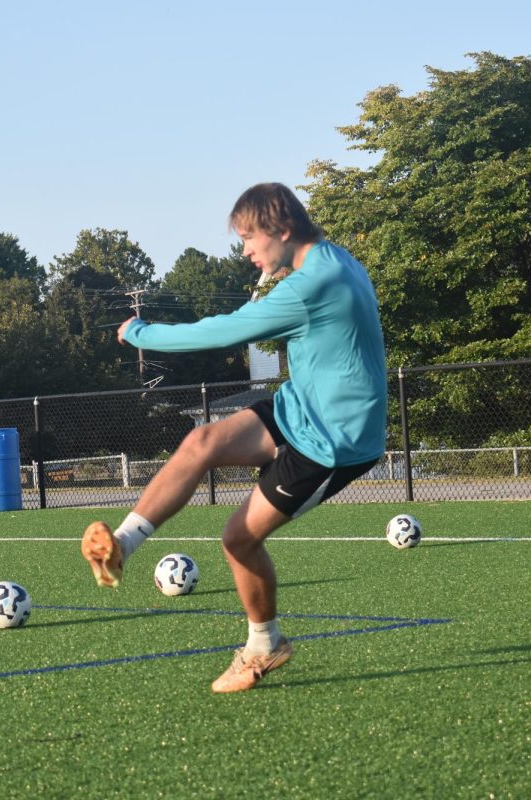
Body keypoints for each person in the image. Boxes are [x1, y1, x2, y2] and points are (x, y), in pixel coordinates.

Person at [81, 182, 388, 693]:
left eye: (250, 238)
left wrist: (140, 333)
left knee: (238, 539)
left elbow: (218, 332)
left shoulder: (310, 288)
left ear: (282, 230)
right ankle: (123, 546)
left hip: (334, 442)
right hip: (301, 409)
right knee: (202, 442)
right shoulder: (336, 261)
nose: (245, 250)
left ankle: (264, 646)